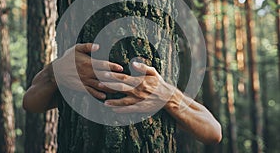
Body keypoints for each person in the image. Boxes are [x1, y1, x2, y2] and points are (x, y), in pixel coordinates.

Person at [23, 43, 222, 144]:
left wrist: (167, 96)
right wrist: (54, 72)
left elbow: (213, 131)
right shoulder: (78, 73)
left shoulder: (155, 88)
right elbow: (31, 102)